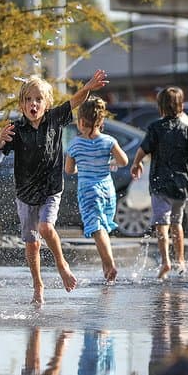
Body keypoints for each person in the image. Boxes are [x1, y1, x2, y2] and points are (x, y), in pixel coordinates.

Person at [0, 70, 109, 305]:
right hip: (25, 194)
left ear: (47, 104)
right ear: (22, 104)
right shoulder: (17, 129)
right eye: (28, 100)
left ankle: (61, 264)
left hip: (51, 189)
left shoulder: (55, 119)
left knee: (45, 227)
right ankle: (38, 285)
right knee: (32, 244)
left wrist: (87, 87)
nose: (33, 104)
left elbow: (75, 101)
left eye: (38, 99)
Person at [130, 86, 188, 280]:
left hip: (160, 184)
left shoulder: (155, 128)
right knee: (177, 223)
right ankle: (180, 260)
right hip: (181, 185)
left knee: (161, 224)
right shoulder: (187, 130)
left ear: (160, 108)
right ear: (181, 107)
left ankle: (165, 261)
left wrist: (136, 163)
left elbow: (143, 149)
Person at [65, 96, 129, 282]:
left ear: (81, 121)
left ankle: (109, 264)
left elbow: (69, 170)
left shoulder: (75, 144)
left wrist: (80, 166)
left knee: (97, 229)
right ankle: (107, 274)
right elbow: (124, 161)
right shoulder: (109, 141)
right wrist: (110, 163)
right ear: (101, 121)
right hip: (108, 190)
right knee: (103, 229)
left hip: (88, 191)